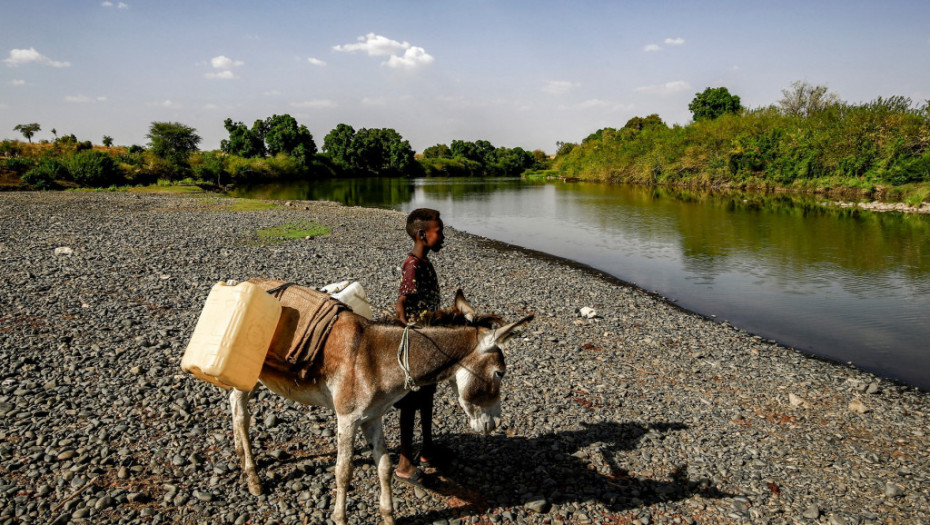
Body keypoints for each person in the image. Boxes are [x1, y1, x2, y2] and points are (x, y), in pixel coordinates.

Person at [393, 208, 445, 488]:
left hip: (429, 340)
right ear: (423, 235)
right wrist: (403, 318)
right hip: (418, 344)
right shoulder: (412, 264)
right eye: (440, 232)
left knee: (427, 397)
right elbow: (403, 298)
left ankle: (426, 450)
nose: (443, 236)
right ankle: (404, 463)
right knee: (411, 403)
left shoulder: (424, 262)